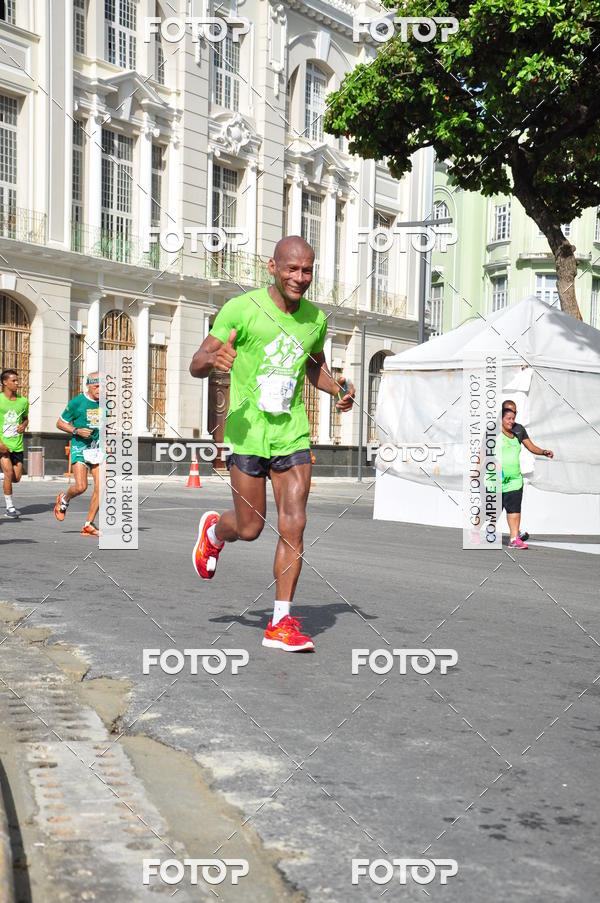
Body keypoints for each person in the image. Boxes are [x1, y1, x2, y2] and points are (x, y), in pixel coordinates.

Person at [189, 236, 355, 652]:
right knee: (250, 528)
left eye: (307, 270)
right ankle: (215, 531)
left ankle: (281, 622)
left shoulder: (315, 320)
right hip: (247, 433)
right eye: (291, 269)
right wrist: (213, 360)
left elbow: (314, 367)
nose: (299, 277)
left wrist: (338, 390)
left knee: (294, 523)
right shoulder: (240, 310)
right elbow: (196, 362)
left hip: (291, 432)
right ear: (273, 268)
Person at [498, 400, 554, 549]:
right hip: (496, 479)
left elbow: (530, 446)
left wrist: (543, 451)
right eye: (509, 412)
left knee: (514, 508)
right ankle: (475, 531)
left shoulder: (519, 429)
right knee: (491, 511)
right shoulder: (494, 430)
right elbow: (484, 452)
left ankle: (514, 538)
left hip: (514, 479)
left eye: (515, 412)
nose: (513, 415)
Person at [53, 372, 102, 536]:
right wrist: (76, 430)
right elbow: (60, 423)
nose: (100, 390)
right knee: (81, 487)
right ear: (88, 386)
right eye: (96, 386)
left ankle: (89, 524)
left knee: (102, 486)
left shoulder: (106, 403)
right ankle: (64, 499)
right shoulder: (77, 402)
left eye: (103, 386)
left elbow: (102, 425)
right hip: (80, 448)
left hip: (97, 448)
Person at [0, 369, 29, 519]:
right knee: (9, 473)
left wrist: (23, 425)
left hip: (17, 445)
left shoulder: (23, 401)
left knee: (16, 478)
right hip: (2, 445)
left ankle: (3, 477)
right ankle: (10, 507)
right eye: (14, 381)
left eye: (18, 380)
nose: (17, 383)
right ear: (5, 382)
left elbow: (25, 418)